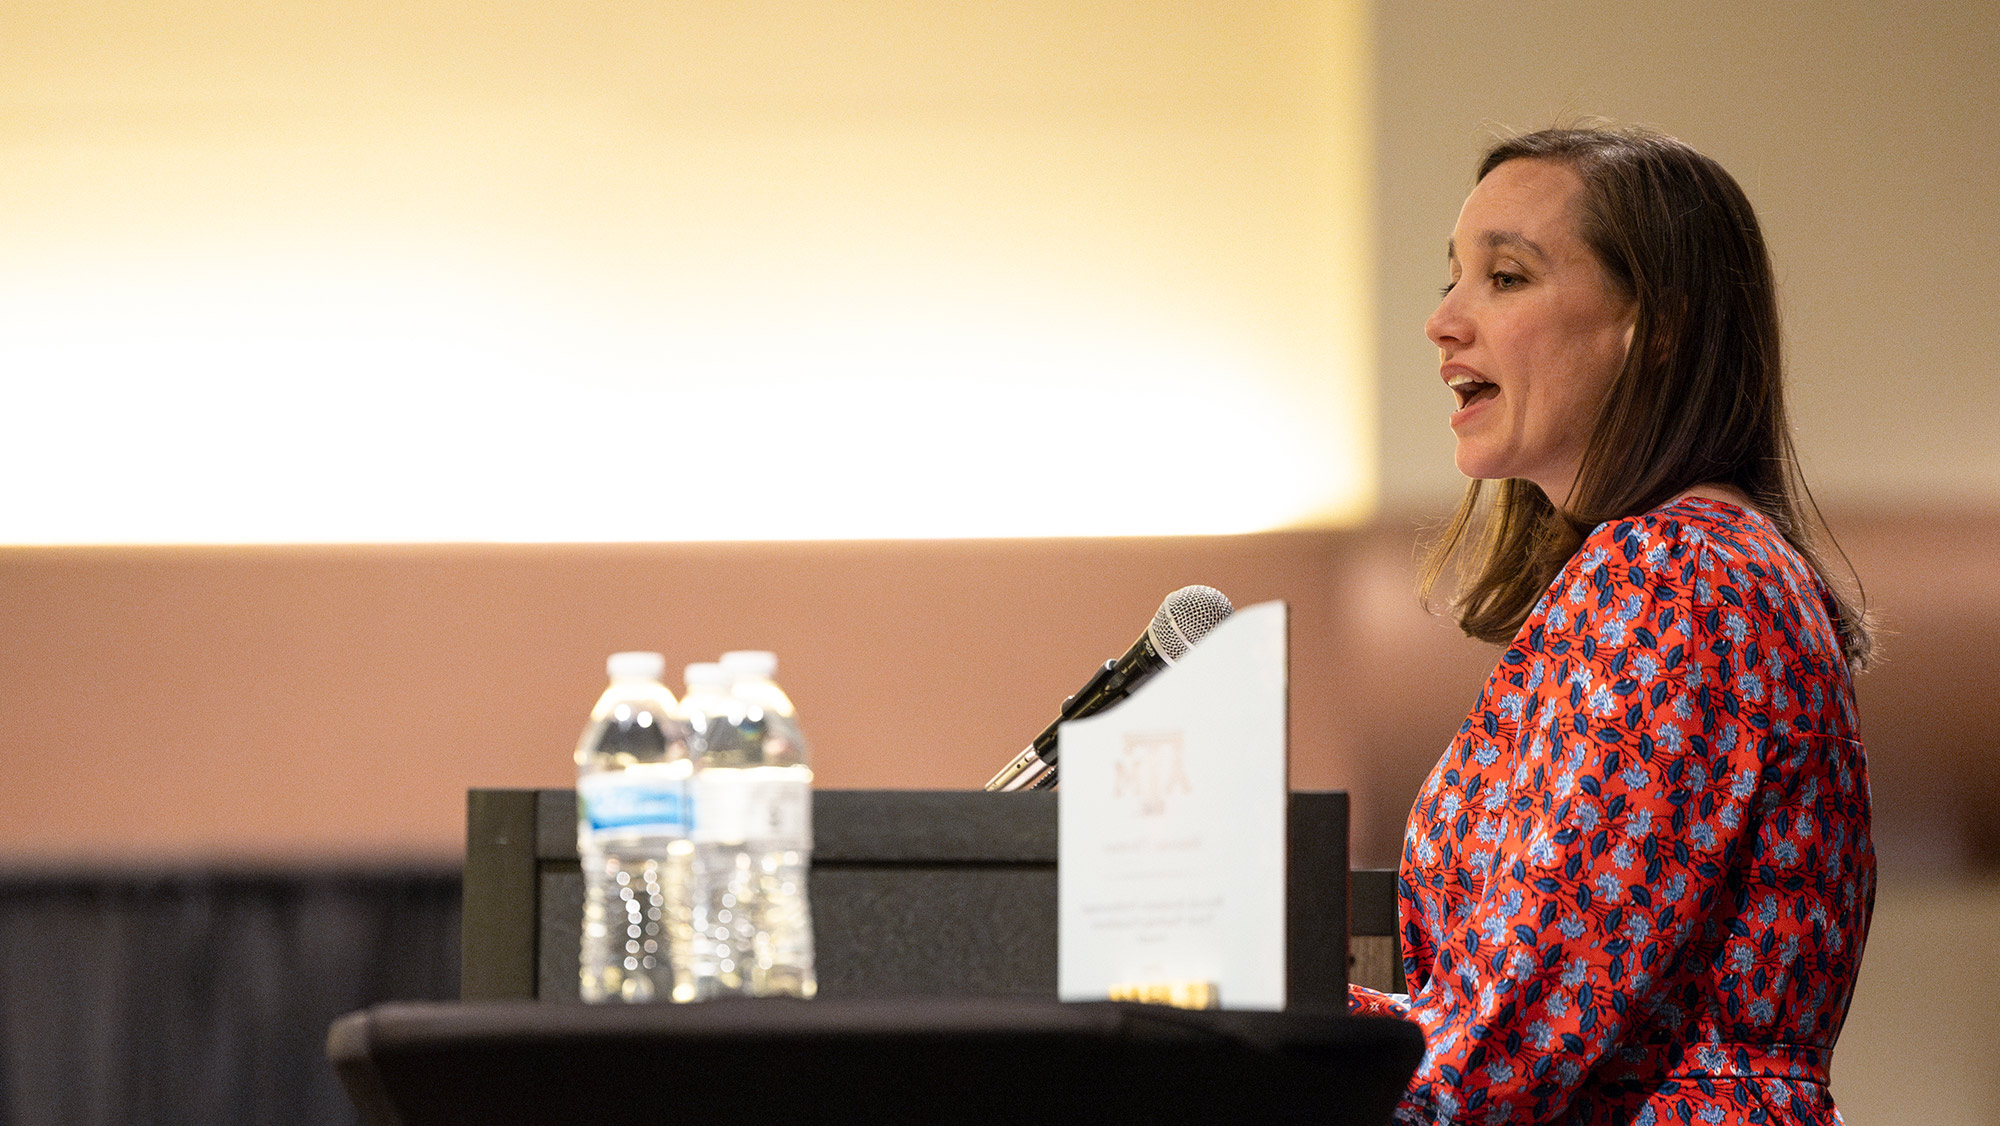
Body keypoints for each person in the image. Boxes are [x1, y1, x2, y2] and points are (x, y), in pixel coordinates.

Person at [1349, 124, 1876, 1126]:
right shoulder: (1690, 565)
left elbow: (1509, 1042)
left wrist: (1207, 1022)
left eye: (1503, 278)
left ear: (1658, 324)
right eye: (1450, 276)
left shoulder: (1673, 576)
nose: (1441, 321)